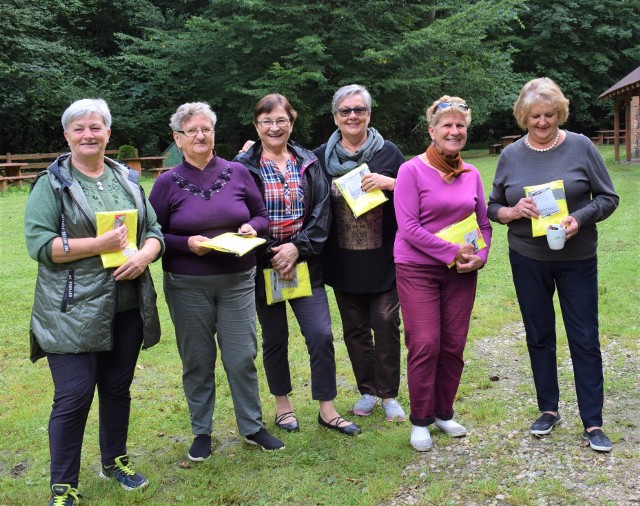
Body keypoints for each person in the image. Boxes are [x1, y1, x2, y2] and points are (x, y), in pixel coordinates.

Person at [25, 98, 164, 505]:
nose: (88, 135)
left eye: (96, 127)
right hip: (71, 309)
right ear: (67, 135)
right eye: (79, 128)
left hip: (125, 306)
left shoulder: (126, 177)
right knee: (73, 396)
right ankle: (64, 486)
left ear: (107, 133)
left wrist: (144, 255)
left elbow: (153, 227)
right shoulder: (51, 183)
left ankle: (114, 460)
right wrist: (97, 245)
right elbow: (39, 244)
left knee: (117, 389)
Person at [487, 78, 619, 452]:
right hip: (528, 257)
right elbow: (492, 205)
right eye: (534, 117)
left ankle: (592, 421)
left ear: (559, 113)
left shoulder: (580, 147)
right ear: (523, 117)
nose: (542, 123)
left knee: (584, 338)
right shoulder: (511, 155)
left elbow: (608, 198)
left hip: (577, 258)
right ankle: (548, 409)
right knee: (539, 334)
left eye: (548, 115)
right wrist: (511, 211)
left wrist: (582, 217)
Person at [148, 102, 284, 459]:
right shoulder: (165, 183)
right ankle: (202, 432)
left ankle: (252, 426)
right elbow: (152, 235)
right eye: (191, 130)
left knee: (241, 356)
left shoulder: (237, 173)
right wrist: (186, 244)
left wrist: (249, 228)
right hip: (188, 283)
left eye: (206, 129)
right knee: (197, 358)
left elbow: (261, 216)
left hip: (237, 279)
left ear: (214, 133)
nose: (200, 136)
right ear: (177, 139)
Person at [235, 94, 361, 436]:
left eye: (281, 120)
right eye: (267, 121)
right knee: (274, 338)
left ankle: (327, 408)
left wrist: (296, 249)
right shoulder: (242, 166)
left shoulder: (308, 161)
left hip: (305, 264)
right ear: (257, 125)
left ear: (292, 122)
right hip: (263, 266)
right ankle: (283, 406)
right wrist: (274, 256)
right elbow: (238, 217)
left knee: (320, 334)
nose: (275, 127)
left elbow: (321, 213)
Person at [394, 96, 492, 452]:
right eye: (446, 125)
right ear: (432, 131)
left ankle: (442, 412)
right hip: (418, 269)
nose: (454, 131)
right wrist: (452, 252)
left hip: (461, 273)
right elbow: (407, 227)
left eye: (460, 126)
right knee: (425, 343)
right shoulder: (411, 170)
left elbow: (483, 223)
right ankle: (420, 420)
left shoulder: (472, 173)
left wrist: (480, 256)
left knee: (453, 344)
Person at [313, 84, 406, 422]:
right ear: (335, 116)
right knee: (354, 328)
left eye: (359, 110)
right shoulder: (320, 156)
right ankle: (367, 390)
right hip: (342, 258)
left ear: (369, 114)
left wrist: (391, 183)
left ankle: (389, 393)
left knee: (385, 323)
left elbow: (414, 193)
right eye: (345, 111)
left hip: (385, 256)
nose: (352, 116)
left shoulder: (389, 153)